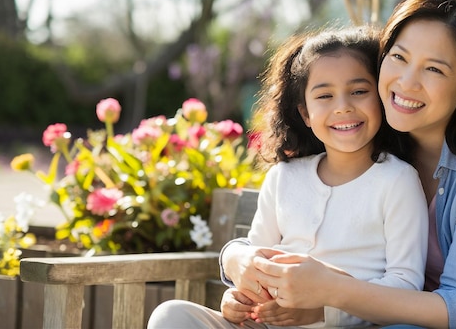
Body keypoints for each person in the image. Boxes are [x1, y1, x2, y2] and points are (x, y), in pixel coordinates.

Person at [219, 0, 456, 329]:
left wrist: (330, 293)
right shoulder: (370, 135)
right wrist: (235, 259)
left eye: (433, 69)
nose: (406, 82)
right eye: (399, 57)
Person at [147, 25, 428, 328]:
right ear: (305, 114)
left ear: (382, 98)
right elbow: (254, 262)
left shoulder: (397, 181)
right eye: (324, 95)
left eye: (359, 91)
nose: (343, 107)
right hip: (265, 323)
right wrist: (237, 299)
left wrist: (325, 311)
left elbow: (405, 286)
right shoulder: (284, 177)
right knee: (171, 315)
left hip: (345, 324)